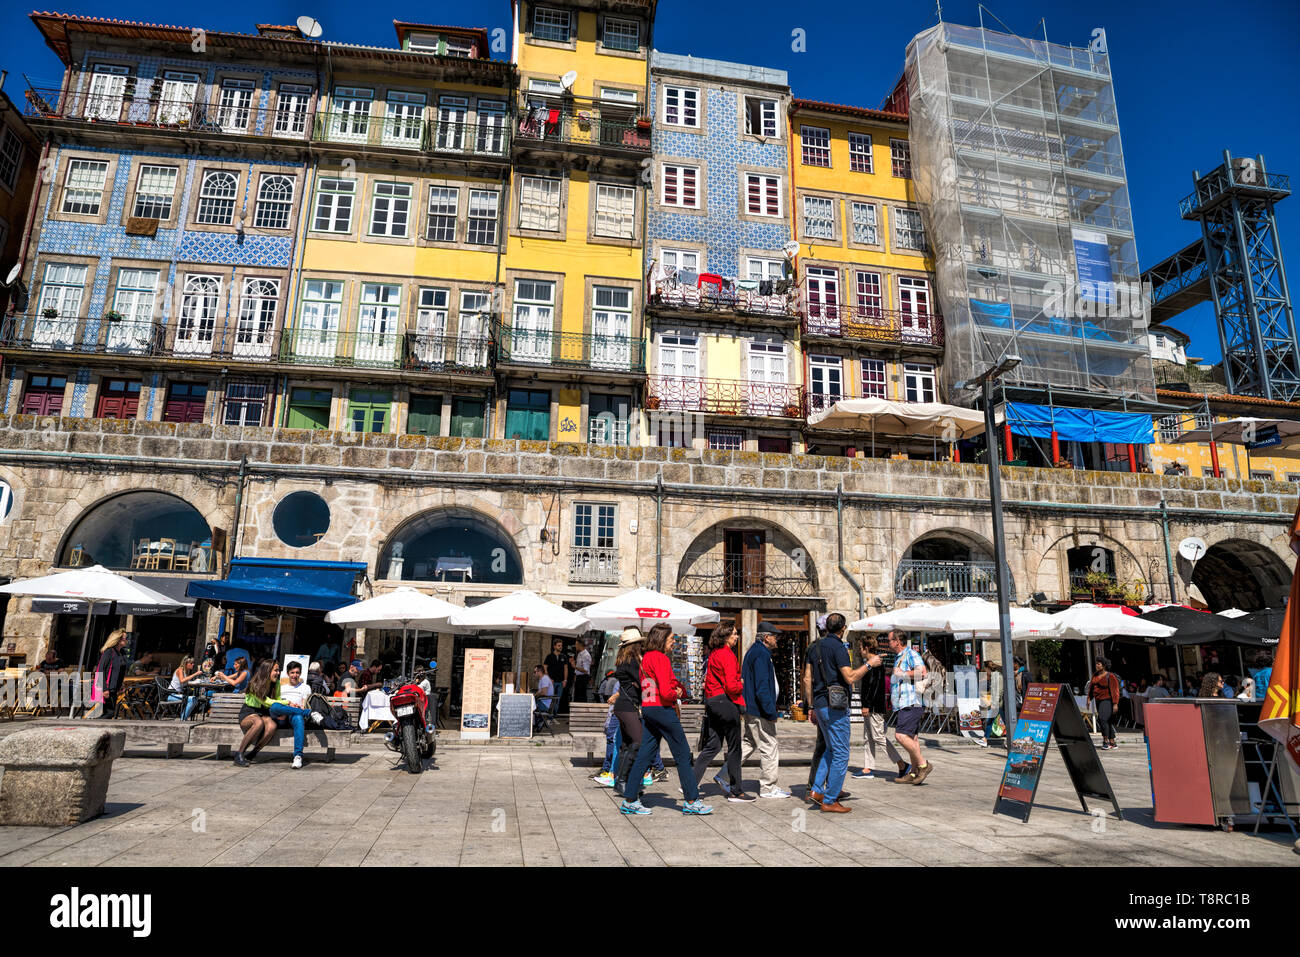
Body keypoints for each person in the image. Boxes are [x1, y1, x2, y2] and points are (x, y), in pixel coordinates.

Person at [619, 623, 713, 816]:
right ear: (662, 639)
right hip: (663, 709)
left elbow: (650, 686)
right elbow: (665, 691)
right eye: (671, 639)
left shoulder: (646, 658)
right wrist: (675, 693)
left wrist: (675, 688)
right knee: (683, 755)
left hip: (649, 708)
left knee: (645, 754)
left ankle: (630, 799)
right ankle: (692, 800)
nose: (674, 643)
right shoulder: (661, 658)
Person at [803, 613, 875, 811]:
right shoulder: (838, 647)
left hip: (819, 703)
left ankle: (817, 790)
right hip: (836, 705)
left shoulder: (814, 647)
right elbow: (850, 677)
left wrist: (810, 706)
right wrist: (869, 664)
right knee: (842, 752)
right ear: (842, 629)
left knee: (830, 748)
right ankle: (830, 799)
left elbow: (807, 679)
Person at [690, 622, 751, 802]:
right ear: (725, 636)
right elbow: (732, 686)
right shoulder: (727, 655)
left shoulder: (714, 654)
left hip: (712, 701)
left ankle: (690, 783)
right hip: (725, 702)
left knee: (713, 746)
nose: (737, 636)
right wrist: (742, 684)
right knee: (734, 748)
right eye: (734, 633)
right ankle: (736, 790)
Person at [236, 660, 324, 768]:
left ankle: (253, 753)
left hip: (265, 713)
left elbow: (277, 700)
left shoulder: (277, 683)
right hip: (250, 712)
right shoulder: (254, 684)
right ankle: (239, 754)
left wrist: (283, 710)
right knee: (258, 722)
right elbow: (266, 701)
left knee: (272, 726)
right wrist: (288, 703)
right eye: (276, 670)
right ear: (267, 671)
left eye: (278, 670)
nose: (278, 673)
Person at [609, 629, 665, 795]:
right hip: (628, 707)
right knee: (639, 742)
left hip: (625, 706)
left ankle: (624, 781)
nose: (642, 646)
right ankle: (622, 780)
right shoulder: (631, 662)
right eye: (640, 643)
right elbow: (644, 682)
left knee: (627, 745)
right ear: (633, 646)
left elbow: (640, 683)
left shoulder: (628, 660)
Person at [739, 621, 790, 799]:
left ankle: (724, 775)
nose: (777, 640)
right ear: (767, 637)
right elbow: (762, 688)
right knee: (769, 746)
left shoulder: (754, 651)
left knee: (748, 743)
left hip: (751, 707)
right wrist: (771, 712)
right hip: (760, 709)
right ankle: (768, 787)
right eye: (775, 636)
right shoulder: (761, 654)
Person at [851, 634, 902, 778]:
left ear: (866, 648)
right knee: (868, 737)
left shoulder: (874, 664)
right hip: (872, 705)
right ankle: (868, 768)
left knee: (878, 736)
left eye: (861, 648)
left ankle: (901, 764)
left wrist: (866, 705)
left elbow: (872, 687)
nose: (860, 650)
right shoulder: (872, 662)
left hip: (874, 707)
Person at [888, 630, 934, 784]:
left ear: (897, 641)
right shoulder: (899, 657)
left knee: (900, 736)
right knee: (912, 738)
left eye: (890, 640)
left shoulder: (910, 654)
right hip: (904, 703)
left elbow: (922, 671)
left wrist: (903, 674)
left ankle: (923, 765)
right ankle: (914, 773)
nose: (888, 643)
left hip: (911, 701)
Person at [1088, 657, 1122, 750]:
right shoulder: (1095, 675)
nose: (1097, 665)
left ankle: (1105, 741)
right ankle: (1112, 742)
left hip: (1107, 700)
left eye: (1099, 664)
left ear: (1104, 665)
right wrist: (1089, 699)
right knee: (1107, 721)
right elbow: (1091, 688)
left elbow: (1115, 691)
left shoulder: (1110, 676)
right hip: (1098, 701)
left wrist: (1115, 704)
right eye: (1096, 664)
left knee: (1102, 719)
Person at [94, 630, 129, 718]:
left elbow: (120, 671)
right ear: (118, 639)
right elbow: (100, 671)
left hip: (114, 688)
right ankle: (93, 727)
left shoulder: (122, 653)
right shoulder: (109, 652)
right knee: (109, 713)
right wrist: (104, 689)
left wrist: (121, 684)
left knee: (109, 713)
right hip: (107, 688)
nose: (127, 640)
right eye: (125, 638)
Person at [543, 639, 570, 714]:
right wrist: (549, 679)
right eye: (559, 645)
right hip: (552, 681)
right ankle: (549, 715)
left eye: (561, 645)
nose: (560, 647)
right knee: (550, 698)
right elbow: (545, 668)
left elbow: (566, 668)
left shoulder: (564, 656)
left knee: (558, 699)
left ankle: (554, 714)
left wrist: (565, 680)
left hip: (561, 681)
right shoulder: (549, 656)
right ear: (554, 646)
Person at [573, 638, 592, 705]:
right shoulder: (579, 654)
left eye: (576, 644)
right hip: (579, 677)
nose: (575, 646)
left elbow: (585, 670)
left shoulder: (586, 655)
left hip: (583, 678)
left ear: (580, 645)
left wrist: (574, 666)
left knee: (581, 696)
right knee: (577, 696)